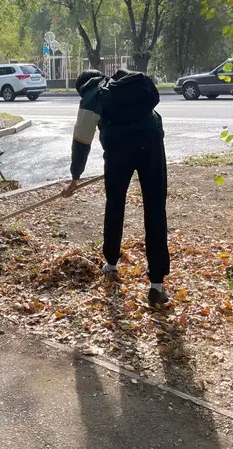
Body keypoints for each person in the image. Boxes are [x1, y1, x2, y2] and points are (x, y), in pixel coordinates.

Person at [61, 69, 170, 306]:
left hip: (118, 150)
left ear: (82, 87)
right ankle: (157, 285)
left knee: (115, 205)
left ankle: (110, 264)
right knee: (155, 209)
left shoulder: (92, 95)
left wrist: (75, 175)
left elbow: (81, 138)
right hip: (151, 142)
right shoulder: (124, 82)